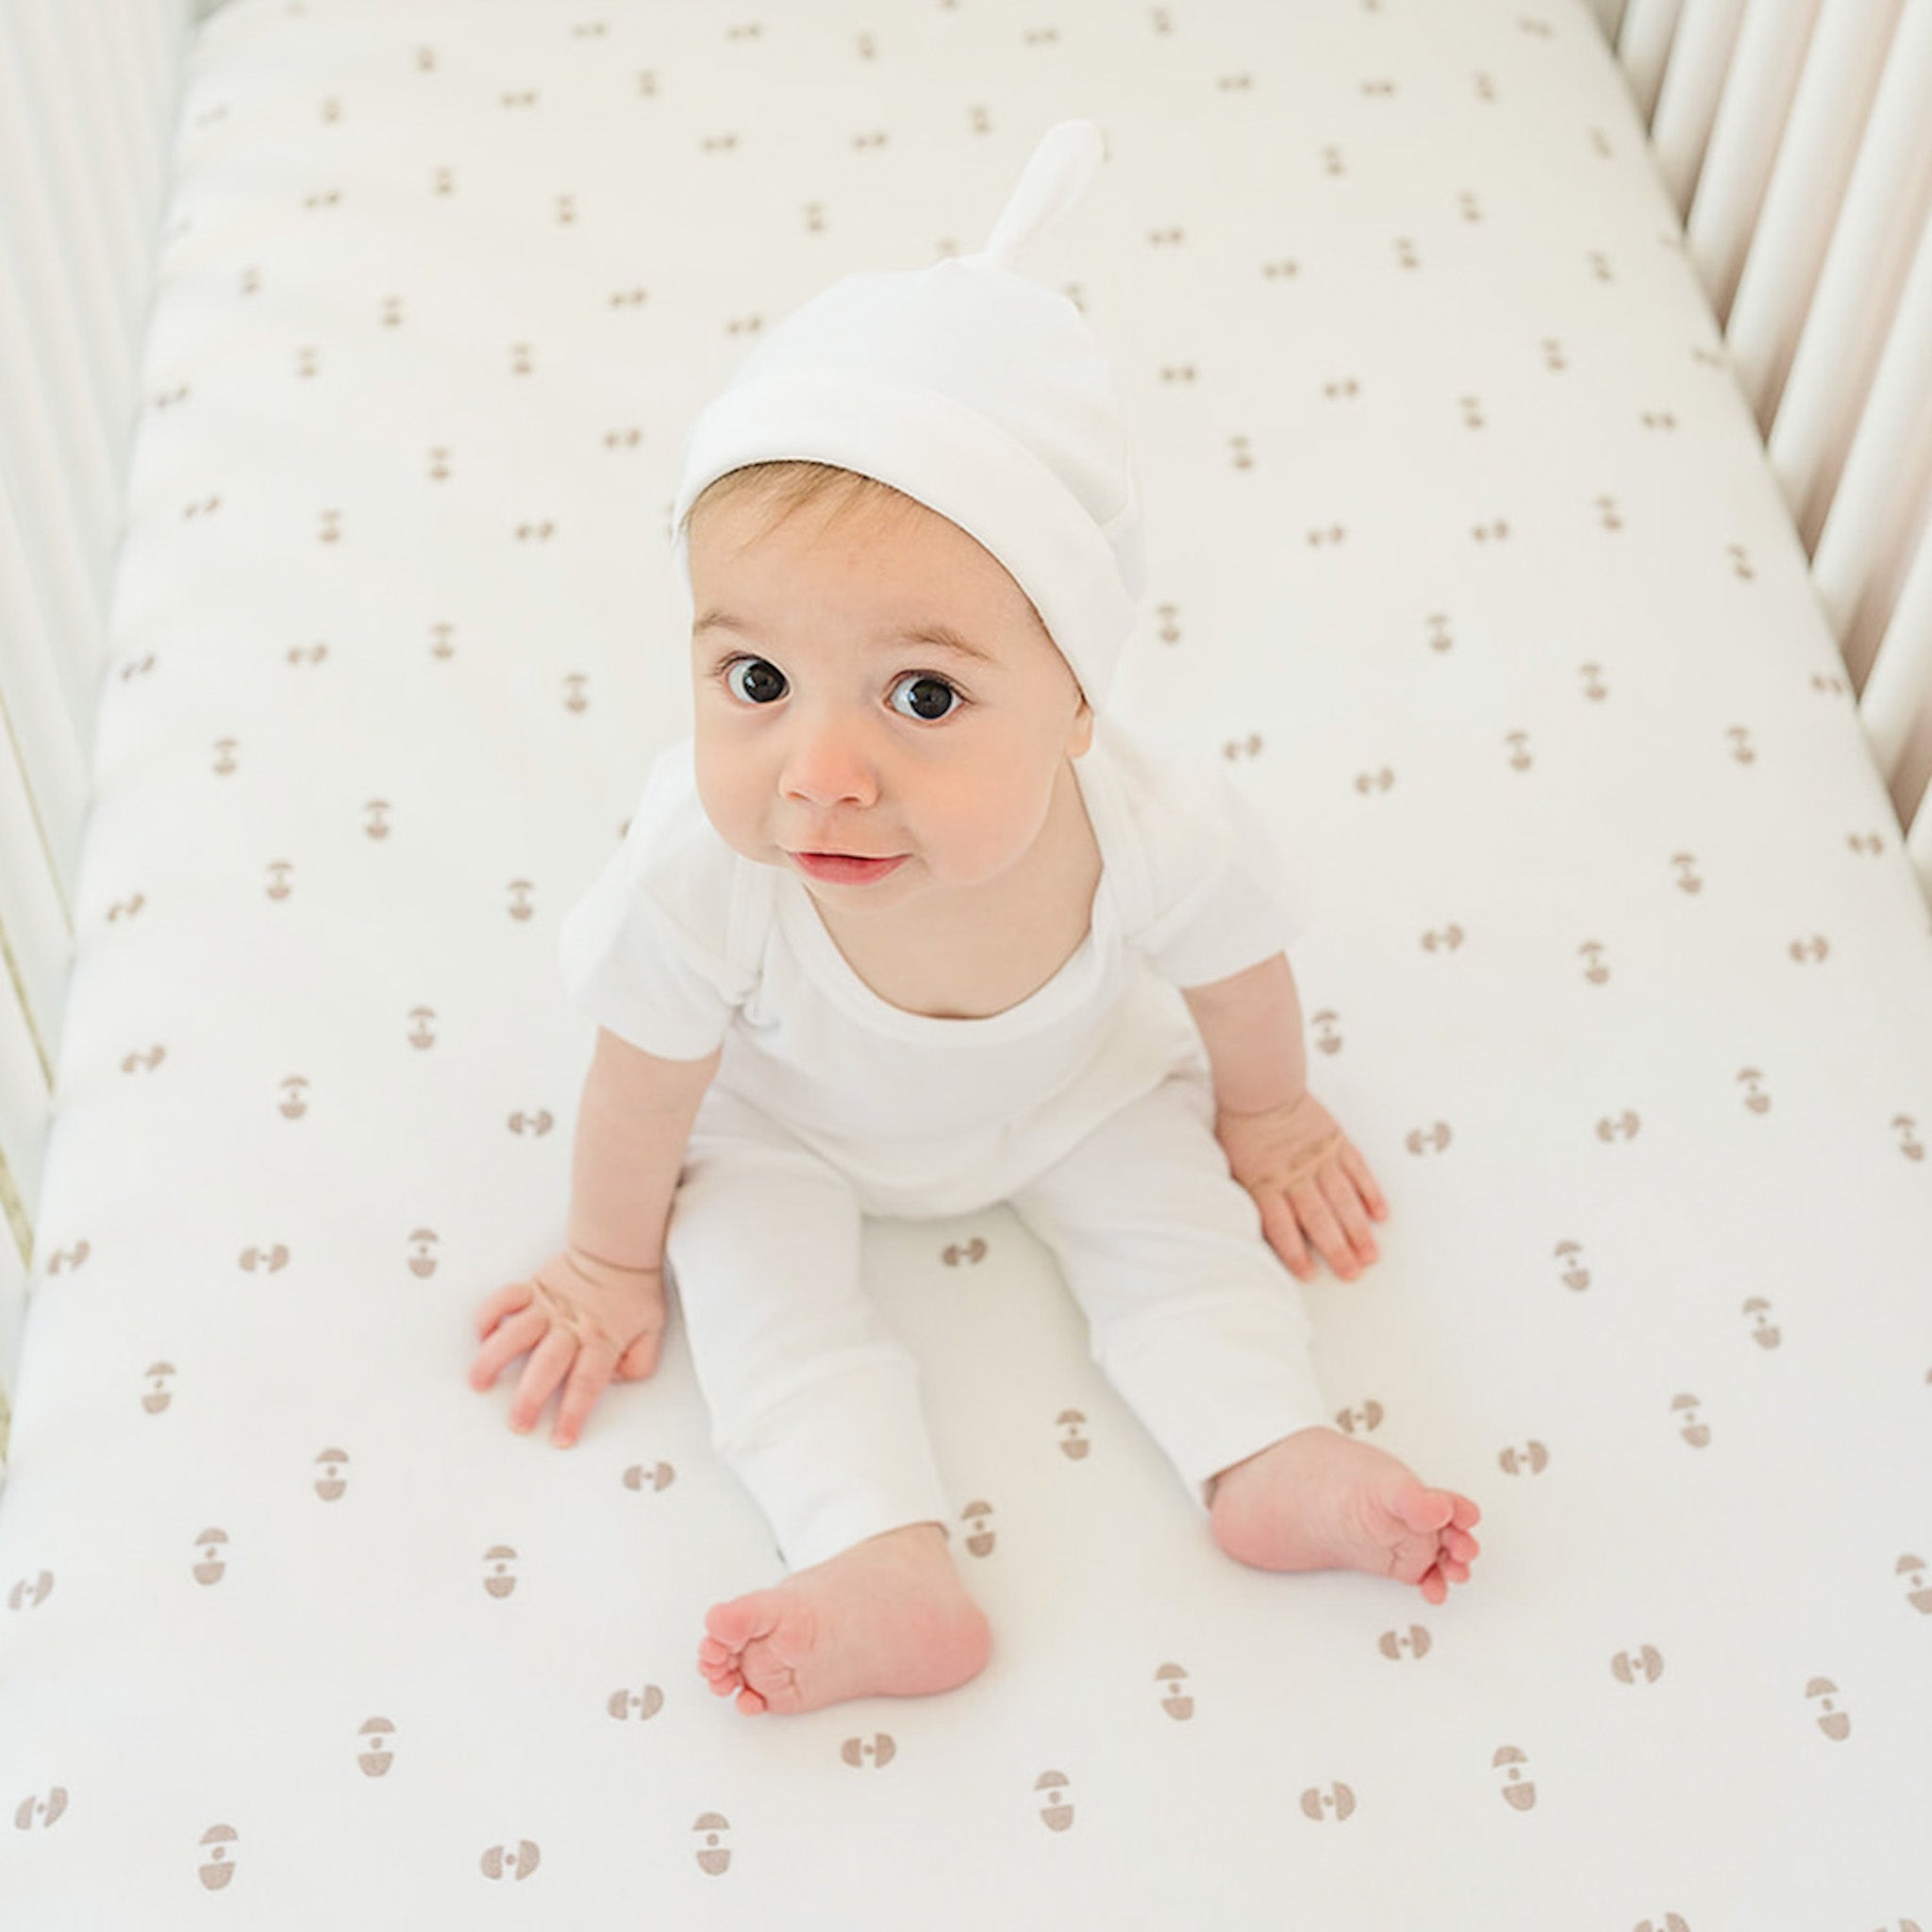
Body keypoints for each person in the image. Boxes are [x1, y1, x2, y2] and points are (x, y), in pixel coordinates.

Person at [469, 122, 1481, 1718]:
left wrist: (1272, 1118)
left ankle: (1269, 1450)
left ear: (1079, 703)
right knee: (754, 1294)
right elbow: (645, 1084)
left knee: (1184, 1232)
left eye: (923, 695)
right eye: (755, 682)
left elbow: (1234, 976)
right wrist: (605, 1264)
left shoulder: (1150, 824)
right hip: (780, 1132)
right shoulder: (703, 865)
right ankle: (878, 1557)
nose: (819, 777)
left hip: (1074, 1093)